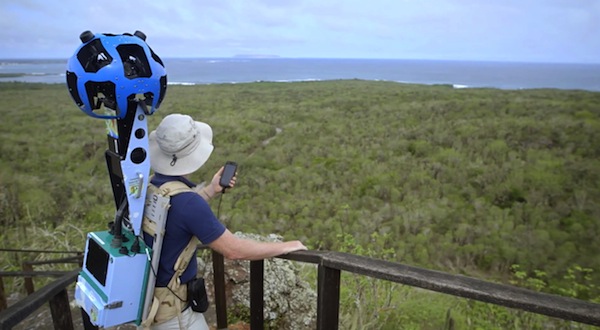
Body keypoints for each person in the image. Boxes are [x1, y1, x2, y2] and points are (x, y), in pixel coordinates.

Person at [143, 113, 307, 329]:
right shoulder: (189, 203)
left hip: (148, 304)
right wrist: (286, 246)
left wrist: (211, 190)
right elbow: (234, 250)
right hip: (173, 316)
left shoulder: (152, 187)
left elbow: (175, 218)